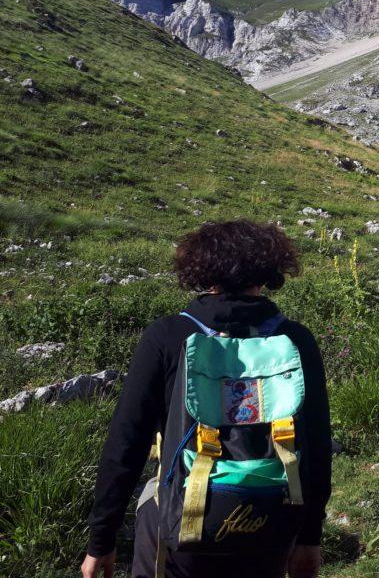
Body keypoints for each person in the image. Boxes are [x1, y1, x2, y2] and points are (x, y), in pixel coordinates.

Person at [80, 220, 331, 578]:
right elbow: (318, 446)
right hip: (272, 522)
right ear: (268, 271)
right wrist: (309, 538)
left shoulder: (167, 336)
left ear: (200, 270)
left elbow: (127, 443)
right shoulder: (296, 340)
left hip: (182, 526)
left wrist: (101, 541)